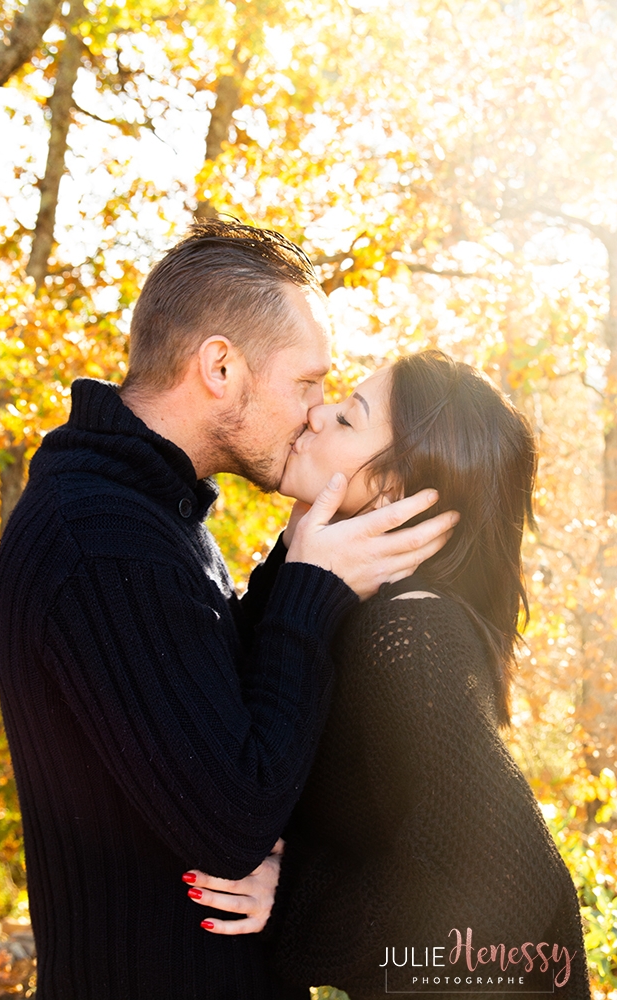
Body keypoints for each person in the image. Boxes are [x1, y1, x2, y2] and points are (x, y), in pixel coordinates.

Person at [0, 222, 457, 1000]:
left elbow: (222, 708)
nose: (315, 413)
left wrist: (293, 563)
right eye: (307, 383)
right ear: (218, 366)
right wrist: (310, 587)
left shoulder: (154, 516)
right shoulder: (101, 539)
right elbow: (234, 820)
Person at [188, 350, 592, 999]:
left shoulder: (407, 634)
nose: (317, 415)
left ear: (392, 490)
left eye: (348, 420)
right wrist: (293, 564)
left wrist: (298, 900)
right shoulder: (356, 608)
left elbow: (512, 879)